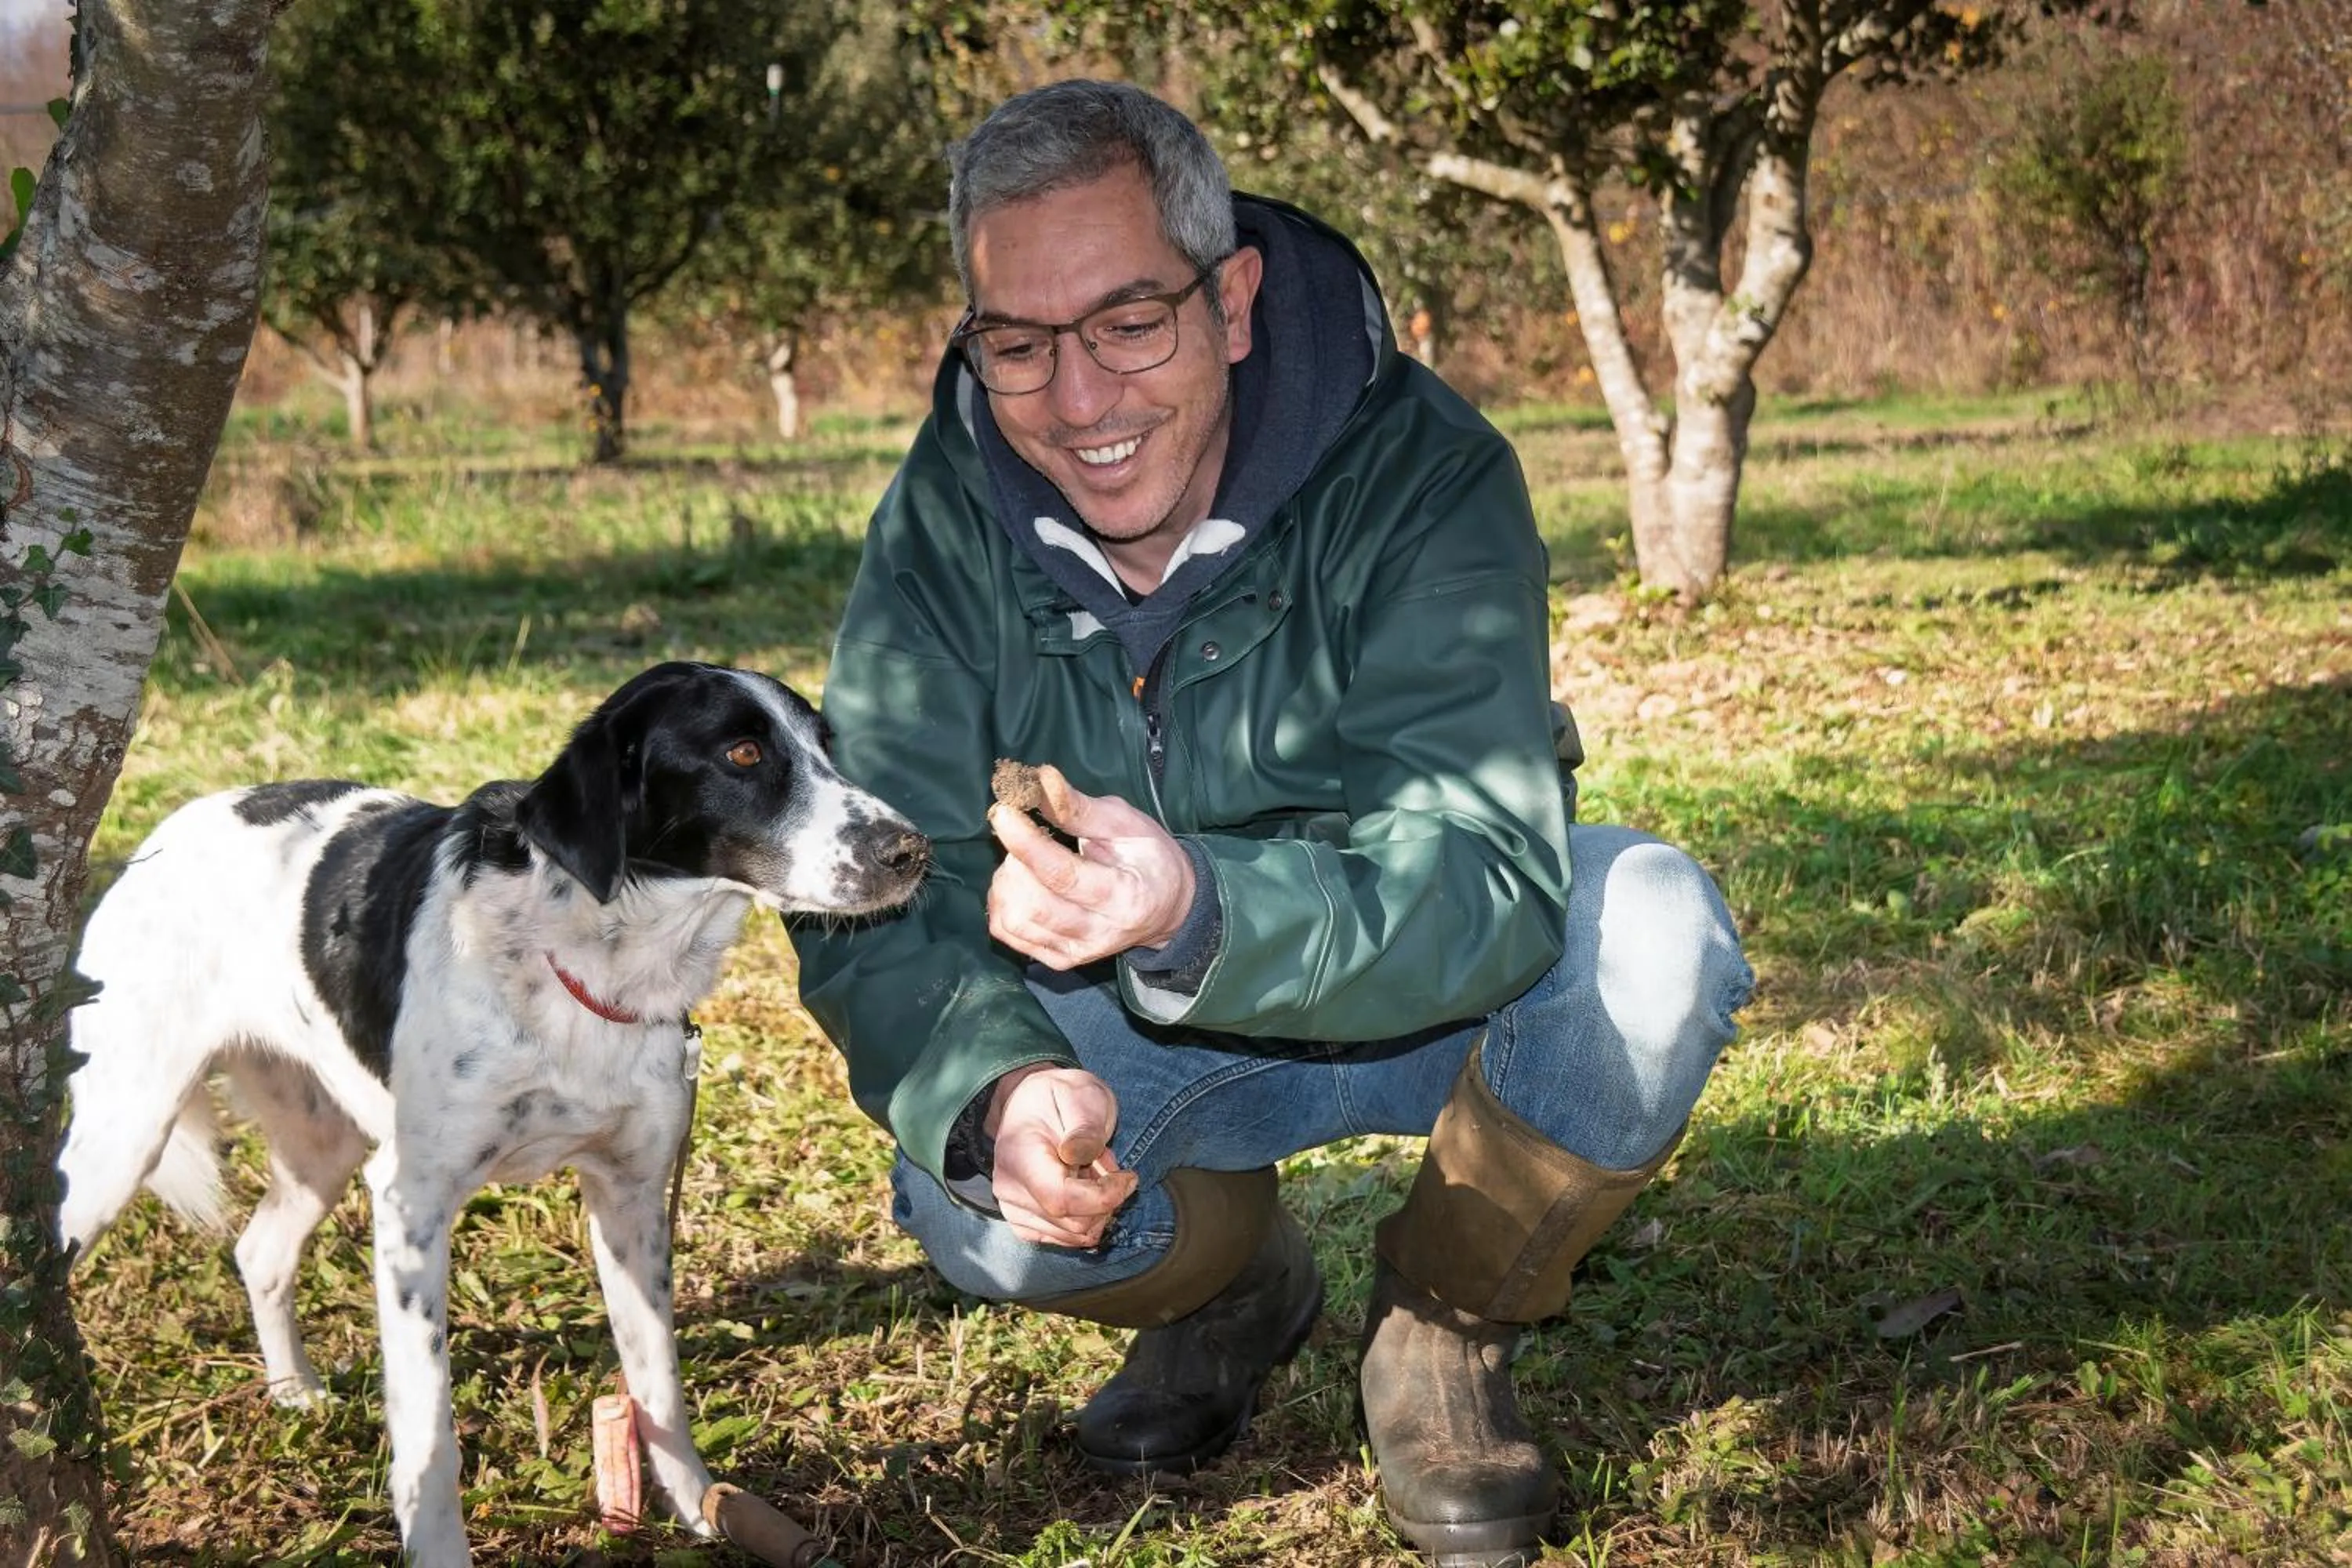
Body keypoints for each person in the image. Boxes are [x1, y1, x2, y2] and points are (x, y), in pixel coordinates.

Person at [788, 78, 1754, 1568]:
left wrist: (1199, 907)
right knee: (969, 1197)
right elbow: (877, 880)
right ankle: (1228, 1291)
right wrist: (994, 1093)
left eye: (1129, 324)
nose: (1082, 400)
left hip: (1441, 999)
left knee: (1654, 938)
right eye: (1020, 347)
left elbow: (1491, 874)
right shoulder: (941, 519)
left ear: (1232, 300)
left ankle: (1446, 1326)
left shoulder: (1426, 473)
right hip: (1129, 1025)